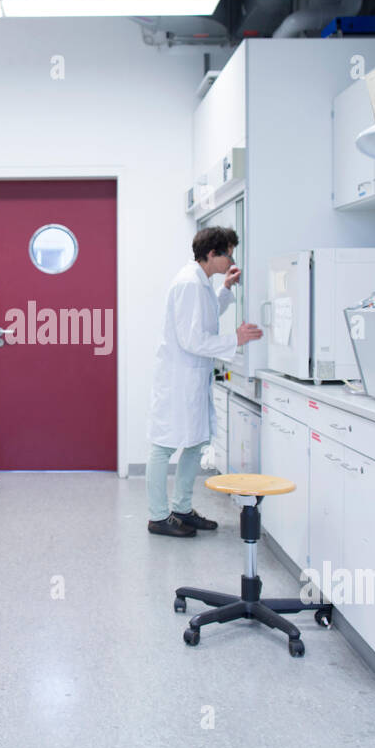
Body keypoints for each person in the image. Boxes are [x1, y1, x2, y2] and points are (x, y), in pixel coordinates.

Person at [145, 227, 263, 537]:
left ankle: (181, 509)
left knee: (196, 443)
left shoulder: (201, 283)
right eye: (228, 254)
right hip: (178, 379)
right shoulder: (189, 284)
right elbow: (192, 339)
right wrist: (234, 339)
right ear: (212, 254)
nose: (231, 260)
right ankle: (158, 517)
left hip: (192, 379)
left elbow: (207, 315)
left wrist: (225, 289)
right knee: (164, 446)